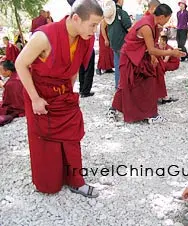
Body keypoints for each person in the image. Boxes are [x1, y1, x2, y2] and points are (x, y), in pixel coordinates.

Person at [15, 0, 104, 197]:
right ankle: (49, 181)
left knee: (73, 138)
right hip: (40, 97)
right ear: (75, 18)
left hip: (63, 95)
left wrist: (66, 93)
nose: (95, 31)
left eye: (97, 25)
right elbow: (20, 63)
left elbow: (73, 69)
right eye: (93, 25)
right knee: (44, 142)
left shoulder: (85, 38)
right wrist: (35, 98)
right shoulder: (44, 36)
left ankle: (76, 180)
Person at [107, 4, 185, 124]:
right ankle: (113, 109)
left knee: (148, 82)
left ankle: (150, 114)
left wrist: (153, 57)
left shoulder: (153, 24)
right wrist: (171, 52)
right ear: (162, 17)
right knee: (126, 83)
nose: (167, 22)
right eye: (168, 19)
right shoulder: (147, 26)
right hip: (130, 57)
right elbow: (152, 49)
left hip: (140, 56)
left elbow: (150, 47)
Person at [106, 0, 132, 89]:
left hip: (113, 43)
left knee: (117, 65)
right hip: (123, 43)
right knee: (125, 66)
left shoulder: (109, 13)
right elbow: (129, 29)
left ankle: (118, 86)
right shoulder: (121, 12)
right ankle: (125, 87)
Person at [0, 60, 25, 126]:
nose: (0, 73)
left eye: (0, 70)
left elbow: (7, 101)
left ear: (8, 71)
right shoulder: (21, 74)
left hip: (20, 107)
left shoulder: (10, 84)